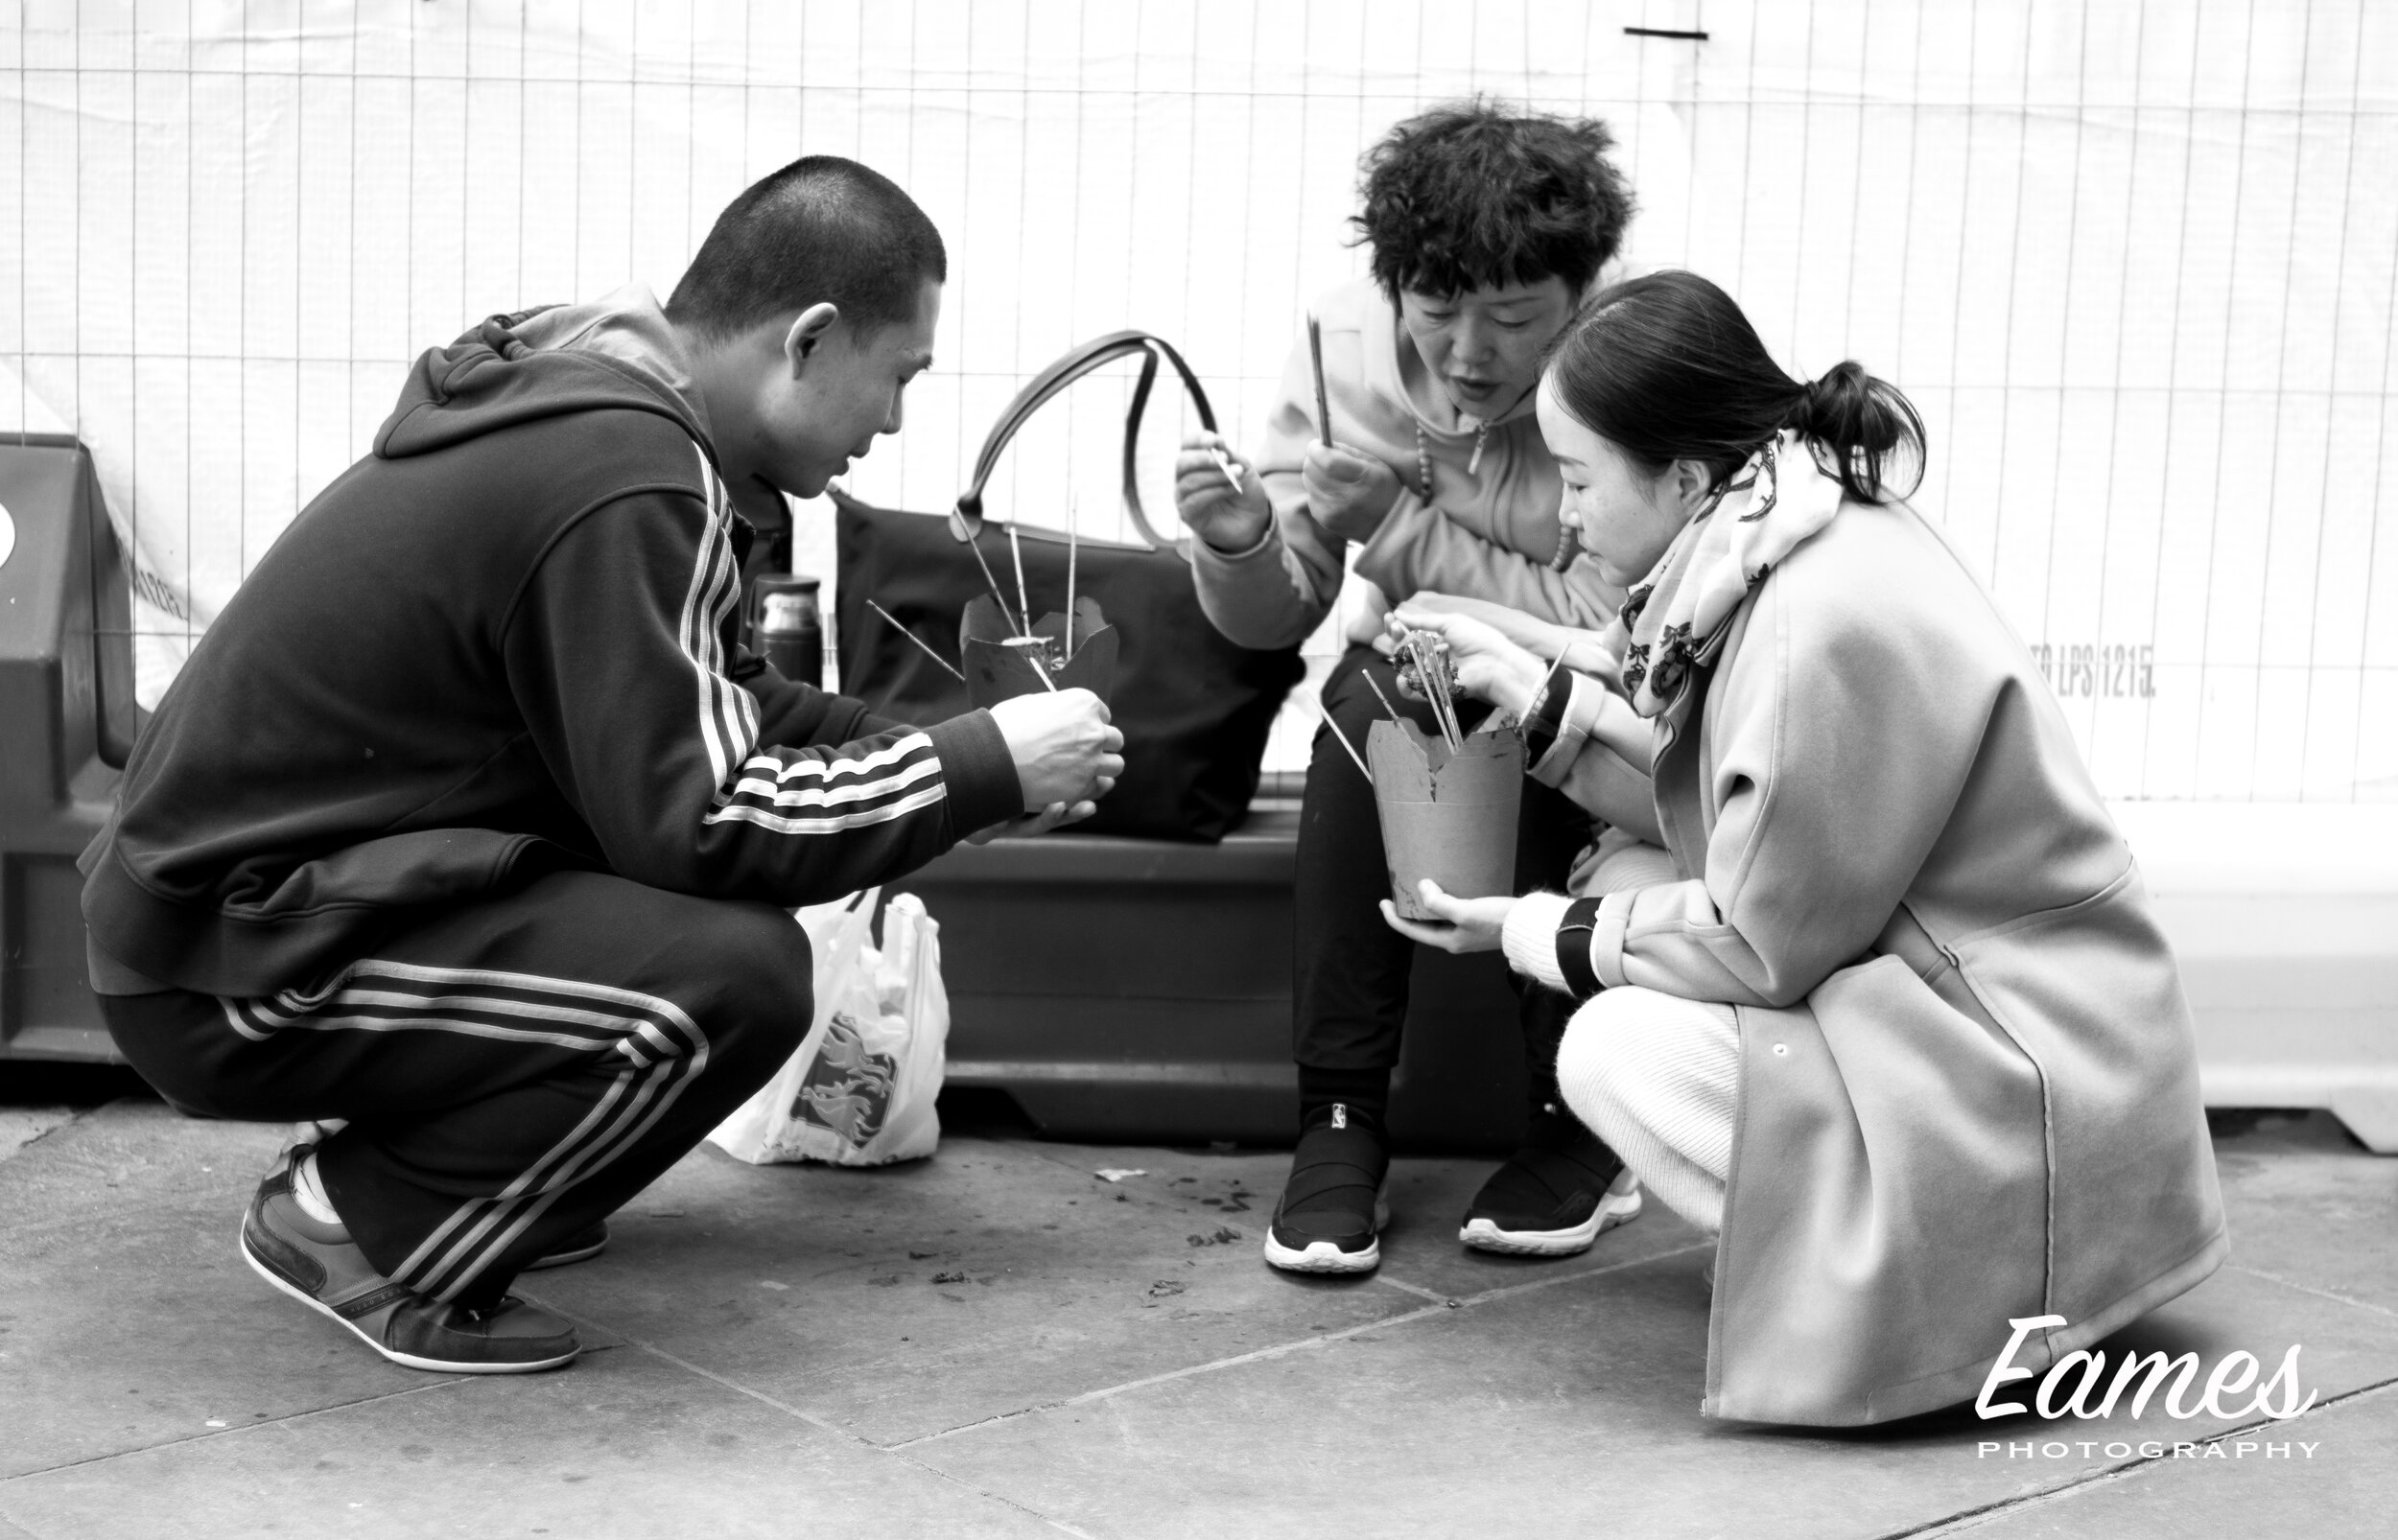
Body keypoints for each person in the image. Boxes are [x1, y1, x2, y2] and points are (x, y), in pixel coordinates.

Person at [78, 156, 1124, 1375]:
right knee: (734, 976)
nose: (893, 422)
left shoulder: (617, 423)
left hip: (252, 914)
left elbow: (727, 711)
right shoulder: (624, 471)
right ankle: (361, 1221)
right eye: (899, 376)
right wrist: (972, 771)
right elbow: (707, 820)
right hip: (226, 957)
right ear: (812, 339)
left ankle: (487, 1173)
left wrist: (946, 762)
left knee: (694, 931)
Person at [1382, 270, 2226, 1426]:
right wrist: (1542, 703)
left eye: (1577, 480)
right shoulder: (1803, 520)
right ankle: (1890, 1246)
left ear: (1680, 477)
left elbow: (1752, 937)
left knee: (1614, 1042)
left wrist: (1525, 930)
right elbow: (1732, 787)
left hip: (2019, 1075)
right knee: (1628, 888)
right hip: (2042, 1031)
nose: (1563, 516)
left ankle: (1939, 1295)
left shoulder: (1806, 623)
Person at [1171, 100, 1641, 1275]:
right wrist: (1235, 542)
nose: (1469, 355)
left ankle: (1583, 1120)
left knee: (1523, 708)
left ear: (1579, 299)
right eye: (1435, 312)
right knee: (1361, 699)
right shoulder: (1339, 357)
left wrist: (1396, 528)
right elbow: (1282, 610)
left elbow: (1605, 628)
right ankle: (1337, 1118)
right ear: (1394, 291)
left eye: (1516, 319)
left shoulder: (1635, 362)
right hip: (1418, 664)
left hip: (1610, 704)